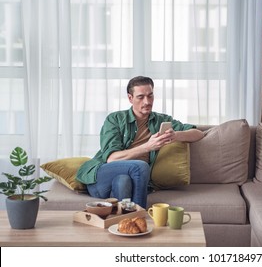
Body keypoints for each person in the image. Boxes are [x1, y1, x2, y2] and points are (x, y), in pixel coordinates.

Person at [76, 76, 204, 208]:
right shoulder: (115, 119)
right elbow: (112, 158)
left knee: (123, 181)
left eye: (150, 96)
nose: (147, 101)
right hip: (103, 176)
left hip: (128, 179)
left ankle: (125, 223)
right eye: (141, 97)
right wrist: (148, 147)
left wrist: (175, 135)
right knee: (141, 166)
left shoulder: (161, 120)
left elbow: (198, 134)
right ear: (130, 98)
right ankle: (140, 218)